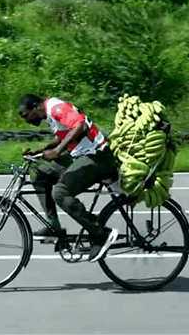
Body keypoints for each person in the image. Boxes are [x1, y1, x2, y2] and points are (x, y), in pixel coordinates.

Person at [19, 94, 119, 263]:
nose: (27, 120)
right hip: (81, 155)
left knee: (60, 192)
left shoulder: (55, 108)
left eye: (26, 115)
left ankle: (99, 233)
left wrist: (58, 150)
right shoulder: (50, 114)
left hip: (98, 157)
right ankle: (54, 227)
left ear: (36, 106)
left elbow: (80, 125)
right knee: (38, 173)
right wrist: (42, 150)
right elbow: (64, 135)